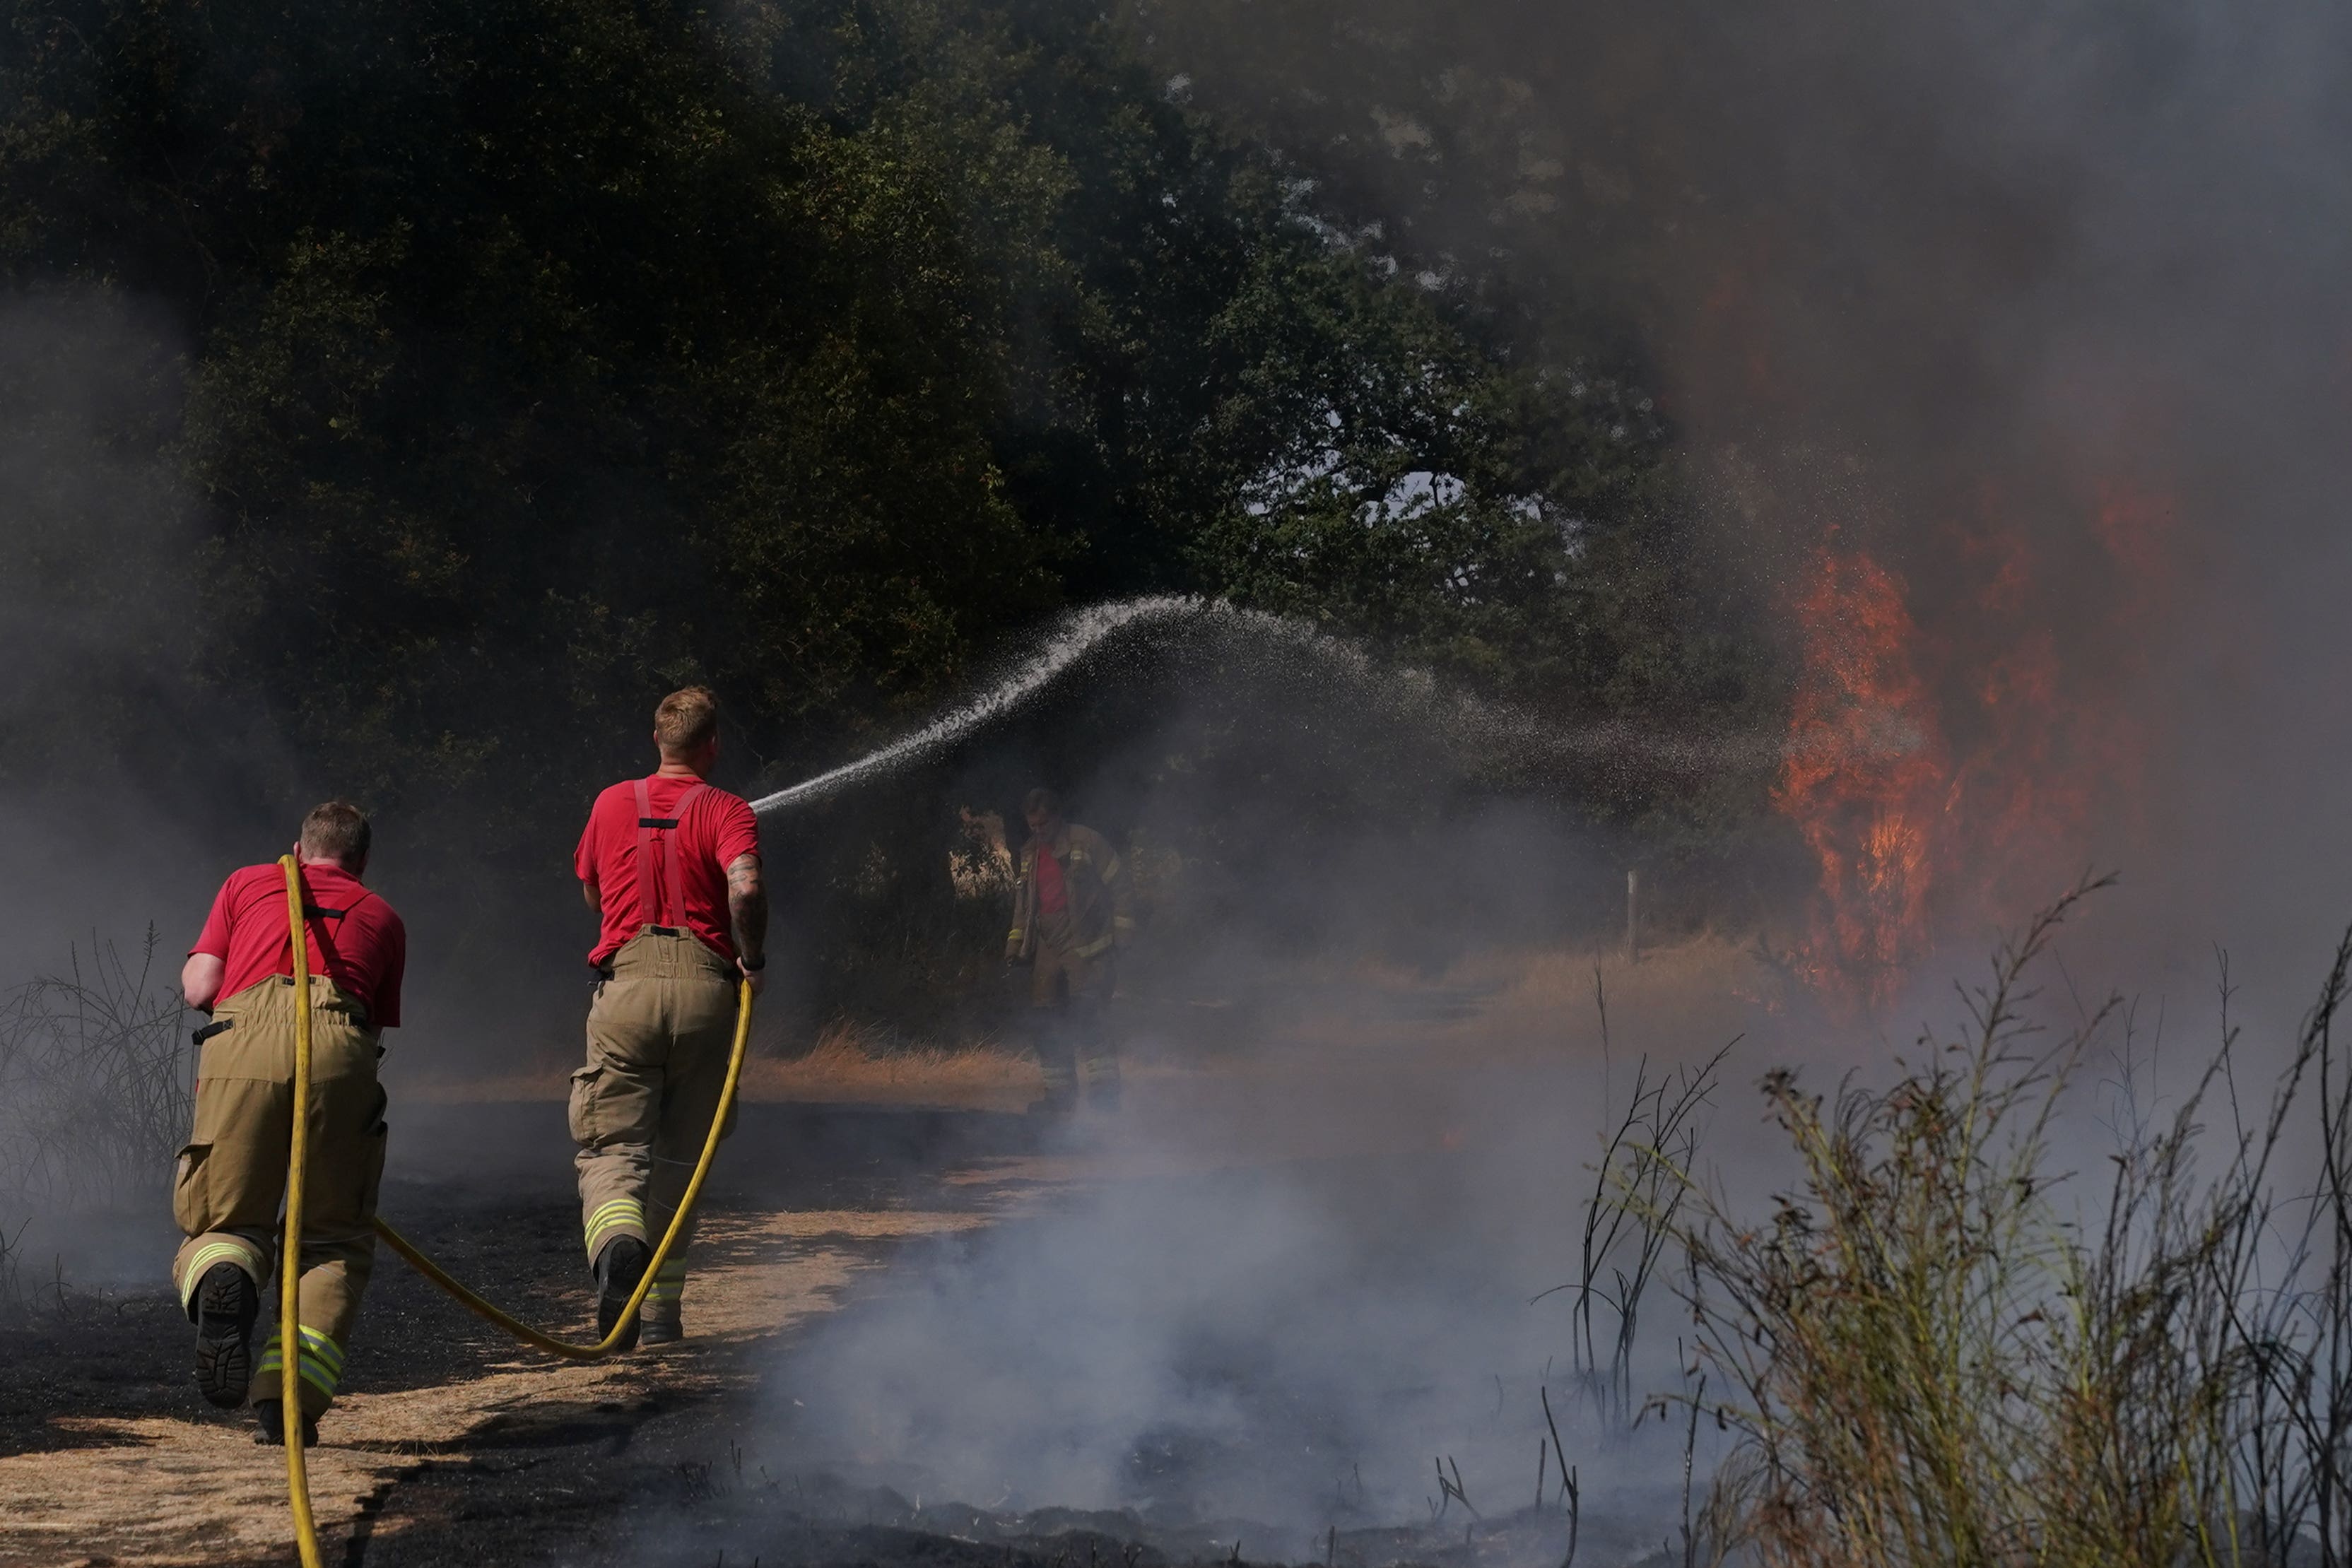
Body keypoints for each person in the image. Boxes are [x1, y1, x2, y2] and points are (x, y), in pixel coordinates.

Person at [173, 801, 405, 1446]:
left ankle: (229, 1275)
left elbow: (199, 988)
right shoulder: (384, 915)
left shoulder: (247, 883)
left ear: (298, 850)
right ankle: (287, 1404)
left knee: (226, 1216)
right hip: (338, 1051)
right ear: (360, 861)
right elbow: (374, 1029)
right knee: (331, 1237)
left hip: (239, 1042)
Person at [572, 685, 765, 1348]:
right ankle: (658, 1317)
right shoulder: (727, 808)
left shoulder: (608, 802)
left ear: (657, 740)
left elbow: (593, 890)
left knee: (614, 1147)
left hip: (625, 986)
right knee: (683, 1160)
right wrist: (754, 959)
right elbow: (746, 887)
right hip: (709, 991)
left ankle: (620, 1246)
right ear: (712, 746)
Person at [1004, 787, 1133, 1115]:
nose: (1038, 831)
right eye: (1032, 826)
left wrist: (1124, 936)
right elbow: (1024, 905)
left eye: (1043, 825)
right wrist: (1014, 946)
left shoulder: (1086, 842)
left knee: (1089, 1022)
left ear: (1058, 817)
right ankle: (1059, 1103)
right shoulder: (1030, 854)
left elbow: (1120, 884)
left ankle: (1106, 1103)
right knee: (1046, 1024)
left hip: (1087, 948)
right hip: (1048, 945)